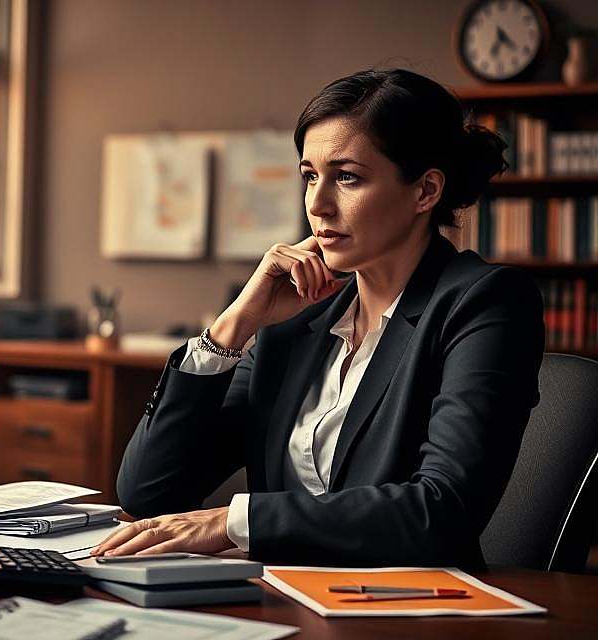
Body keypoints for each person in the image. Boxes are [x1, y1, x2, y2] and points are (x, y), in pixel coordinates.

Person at [93, 68, 545, 567]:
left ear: (425, 191)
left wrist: (232, 522)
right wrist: (233, 325)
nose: (317, 204)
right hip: (277, 598)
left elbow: (442, 510)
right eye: (310, 175)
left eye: (346, 177)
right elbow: (148, 491)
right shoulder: (297, 318)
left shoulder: (485, 302)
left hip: (401, 609)